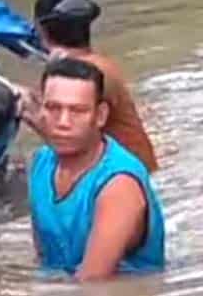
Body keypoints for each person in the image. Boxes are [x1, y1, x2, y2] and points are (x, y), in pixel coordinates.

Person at [28, 58, 165, 281]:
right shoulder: (41, 162)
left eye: (77, 111)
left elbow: (92, 281)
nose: (63, 122)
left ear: (100, 115)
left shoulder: (119, 185)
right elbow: (43, 257)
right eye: (53, 108)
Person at [19, 0, 159, 172]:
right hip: (138, 171)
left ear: (41, 29)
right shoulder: (99, 66)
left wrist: (21, 109)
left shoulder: (81, 75)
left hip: (123, 178)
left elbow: (67, 138)